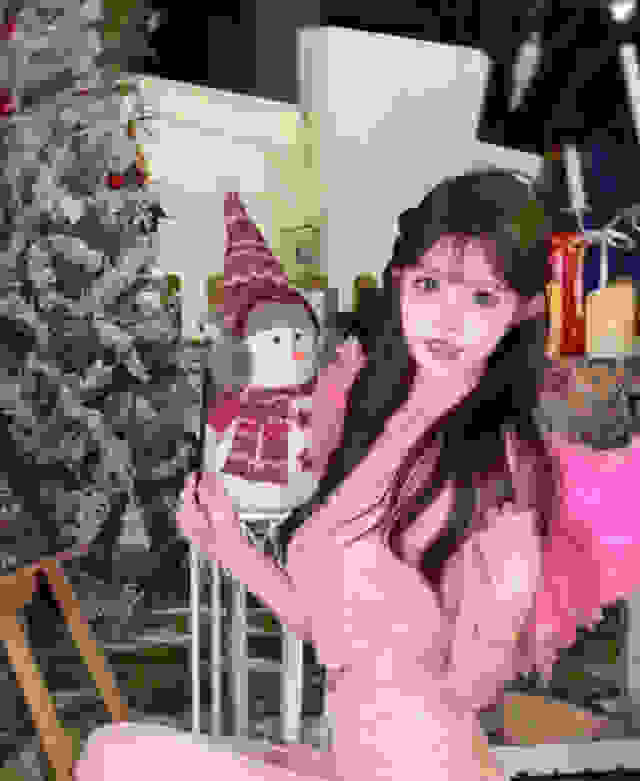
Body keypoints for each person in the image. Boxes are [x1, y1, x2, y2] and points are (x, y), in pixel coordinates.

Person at [73, 169, 640, 781]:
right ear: (401, 283)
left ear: (521, 311)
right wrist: (230, 548)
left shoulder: (502, 472)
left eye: (481, 297)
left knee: (119, 760)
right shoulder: (384, 420)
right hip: (361, 759)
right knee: (111, 749)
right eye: (429, 285)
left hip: (419, 768)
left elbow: (465, 687)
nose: (447, 318)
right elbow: (337, 629)